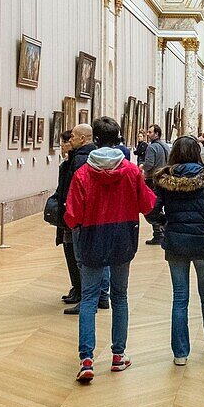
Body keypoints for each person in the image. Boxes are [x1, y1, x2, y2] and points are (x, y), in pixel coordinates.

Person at [64, 117, 156, 383]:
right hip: (122, 238)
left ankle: (87, 360)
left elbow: (72, 215)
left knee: (90, 298)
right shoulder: (129, 171)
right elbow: (147, 204)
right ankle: (118, 355)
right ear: (117, 139)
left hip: (92, 238)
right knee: (120, 296)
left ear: (95, 139)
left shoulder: (83, 173)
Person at [147, 136, 204, 366]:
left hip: (175, 243)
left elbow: (152, 211)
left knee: (180, 298)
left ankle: (180, 352)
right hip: (203, 242)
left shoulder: (164, 178)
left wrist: (166, 221)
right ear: (196, 153)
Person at [63, 123, 107, 315]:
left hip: (83, 217)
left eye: (72, 136)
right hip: (99, 216)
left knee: (83, 259)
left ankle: (88, 298)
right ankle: (102, 295)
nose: (69, 139)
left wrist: (71, 216)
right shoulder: (97, 156)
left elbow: (76, 191)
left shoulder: (80, 159)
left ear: (83, 138)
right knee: (100, 257)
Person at [55, 130, 80, 307]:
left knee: (73, 252)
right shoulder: (69, 163)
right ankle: (76, 286)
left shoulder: (74, 163)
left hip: (71, 215)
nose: (62, 145)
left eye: (65, 141)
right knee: (69, 250)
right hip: (68, 213)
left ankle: (79, 288)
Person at [141, 124, 170, 245]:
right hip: (165, 178)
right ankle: (162, 231)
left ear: (157, 134)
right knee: (160, 206)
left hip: (153, 179)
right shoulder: (166, 146)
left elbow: (149, 164)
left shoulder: (151, 147)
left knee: (151, 207)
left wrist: (142, 166)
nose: (148, 134)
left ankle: (159, 233)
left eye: (150, 132)